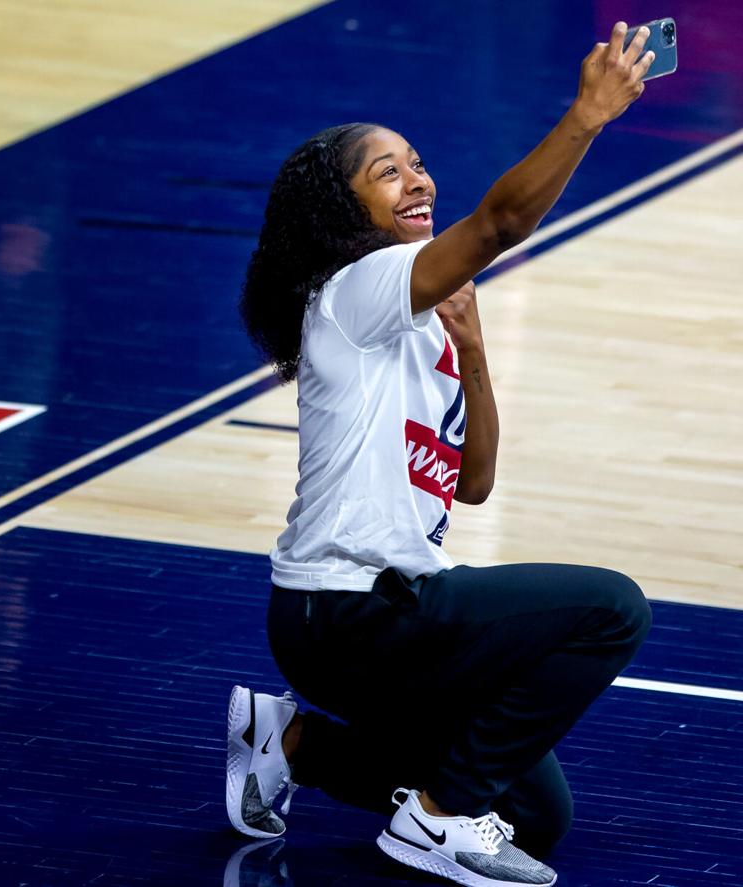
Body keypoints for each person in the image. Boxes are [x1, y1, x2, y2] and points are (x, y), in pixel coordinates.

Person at [225, 23, 657, 887]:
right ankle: (437, 818)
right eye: (387, 172)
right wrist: (586, 116)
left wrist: (474, 348)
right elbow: (501, 221)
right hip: (348, 609)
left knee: (537, 816)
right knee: (612, 607)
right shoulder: (355, 289)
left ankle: (293, 744)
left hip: (383, 617)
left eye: (417, 163)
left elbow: (474, 483)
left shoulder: (421, 323)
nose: (418, 179)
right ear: (344, 210)